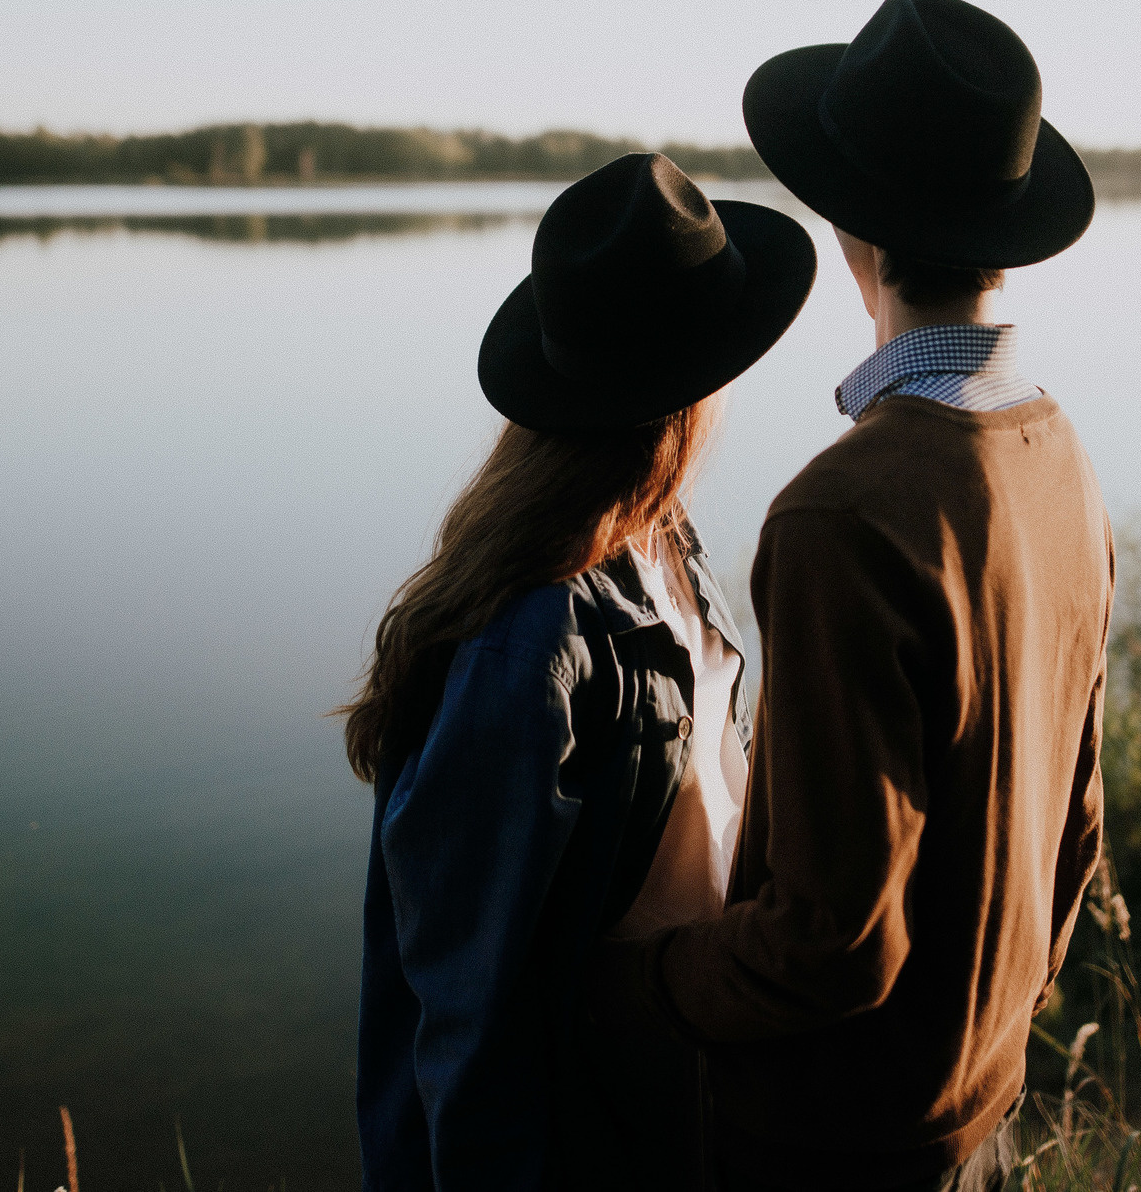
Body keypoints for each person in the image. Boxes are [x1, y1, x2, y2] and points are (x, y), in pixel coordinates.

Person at [597, 0, 1116, 1191]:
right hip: (978, 1096)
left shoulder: (845, 510)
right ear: (1007, 228)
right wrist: (996, 1016)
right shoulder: (1060, 454)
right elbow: (1077, 817)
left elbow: (830, 942)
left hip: (836, 1141)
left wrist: (637, 976)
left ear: (851, 235)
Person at [348, 151, 817, 1192]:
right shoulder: (530, 644)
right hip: (586, 1132)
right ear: (693, 392)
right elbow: (468, 1008)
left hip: (679, 1095)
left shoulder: (666, 541)